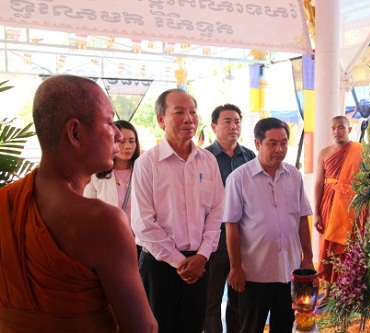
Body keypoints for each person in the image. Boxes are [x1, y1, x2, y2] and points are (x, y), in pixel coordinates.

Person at [0, 75, 157, 332]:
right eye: (108, 122)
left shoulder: (5, 202)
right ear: (74, 133)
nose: (118, 134)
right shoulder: (103, 221)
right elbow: (142, 327)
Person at [131, 88, 224, 333]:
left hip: (200, 263)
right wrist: (181, 262)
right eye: (179, 112)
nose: (189, 118)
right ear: (161, 120)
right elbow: (143, 223)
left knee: (193, 326)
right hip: (160, 265)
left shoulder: (207, 161)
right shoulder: (146, 164)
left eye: (193, 112)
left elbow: (216, 212)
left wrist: (203, 255)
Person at [224, 117, 314, 333]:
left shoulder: (293, 175)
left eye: (283, 143)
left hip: (289, 270)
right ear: (257, 144)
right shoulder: (239, 178)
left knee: (284, 326)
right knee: (250, 327)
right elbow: (232, 225)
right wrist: (235, 267)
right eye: (272, 143)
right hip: (255, 273)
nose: (279, 149)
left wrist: (308, 257)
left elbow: (302, 217)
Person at [203, 104, 256, 333]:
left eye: (237, 121)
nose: (233, 126)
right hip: (215, 239)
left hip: (245, 239)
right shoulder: (204, 157)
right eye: (227, 121)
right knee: (211, 300)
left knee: (240, 298)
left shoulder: (251, 156)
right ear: (214, 126)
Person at [314, 116, 363, 283]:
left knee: (347, 246)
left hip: (350, 205)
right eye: (333, 128)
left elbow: (368, 182)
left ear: (349, 129)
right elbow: (319, 183)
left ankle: (347, 288)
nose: (337, 131)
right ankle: (328, 288)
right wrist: (317, 213)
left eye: (341, 127)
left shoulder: (360, 151)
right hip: (328, 202)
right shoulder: (324, 153)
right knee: (328, 246)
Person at [84, 120, 142, 258]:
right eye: (121, 141)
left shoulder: (143, 171)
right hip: (109, 242)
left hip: (141, 243)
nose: (128, 146)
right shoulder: (95, 174)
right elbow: (88, 212)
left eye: (132, 141)